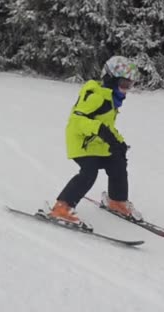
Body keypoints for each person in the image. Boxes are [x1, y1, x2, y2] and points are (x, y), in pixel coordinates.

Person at [48, 56, 143, 224]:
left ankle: (116, 201)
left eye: (130, 85)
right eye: (124, 84)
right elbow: (77, 121)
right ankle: (62, 207)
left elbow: (107, 125)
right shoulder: (95, 96)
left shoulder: (111, 99)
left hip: (98, 142)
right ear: (111, 79)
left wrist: (118, 142)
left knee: (118, 162)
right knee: (89, 172)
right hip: (82, 141)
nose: (126, 89)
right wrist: (100, 130)